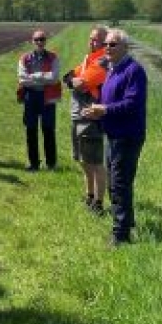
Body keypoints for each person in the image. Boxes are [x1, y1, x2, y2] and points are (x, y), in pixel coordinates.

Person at [81, 29, 148, 246]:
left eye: (113, 44)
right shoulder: (113, 69)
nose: (107, 48)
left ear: (125, 47)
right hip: (113, 134)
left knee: (119, 184)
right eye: (106, 44)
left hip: (127, 136)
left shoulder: (134, 71)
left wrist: (105, 110)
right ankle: (127, 223)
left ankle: (120, 235)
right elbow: (107, 97)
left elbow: (131, 103)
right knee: (116, 183)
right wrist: (95, 110)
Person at [63, 26, 109, 213]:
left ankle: (98, 203)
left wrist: (76, 80)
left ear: (105, 42)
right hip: (77, 116)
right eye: (90, 39)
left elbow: (80, 84)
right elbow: (67, 78)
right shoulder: (89, 60)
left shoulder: (102, 61)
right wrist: (74, 80)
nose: (92, 42)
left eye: (96, 40)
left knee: (96, 162)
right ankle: (89, 195)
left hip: (91, 118)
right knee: (83, 160)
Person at [17, 30, 61, 171]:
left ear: (45, 41)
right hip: (31, 97)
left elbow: (54, 78)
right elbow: (22, 79)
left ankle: (51, 164)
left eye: (42, 39)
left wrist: (34, 76)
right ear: (32, 41)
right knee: (31, 130)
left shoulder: (53, 57)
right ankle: (33, 163)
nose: (39, 42)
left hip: (47, 96)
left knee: (48, 130)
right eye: (37, 40)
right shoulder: (24, 58)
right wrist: (43, 77)